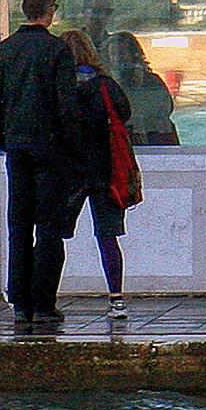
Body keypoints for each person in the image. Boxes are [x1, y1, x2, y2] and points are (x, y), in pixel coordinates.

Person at [0, 0, 82, 325]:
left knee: (19, 226)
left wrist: (5, 141)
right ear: (51, 11)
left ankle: (20, 301)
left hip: (18, 150)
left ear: (24, 10)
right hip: (51, 150)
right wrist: (74, 149)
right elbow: (67, 107)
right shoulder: (57, 51)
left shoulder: (3, 51)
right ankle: (43, 302)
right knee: (49, 228)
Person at [60, 30, 133, 320]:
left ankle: (44, 298)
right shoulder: (105, 85)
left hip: (70, 170)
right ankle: (117, 299)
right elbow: (124, 113)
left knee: (53, 234)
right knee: (108, 236)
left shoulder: (59, 86)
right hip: (106, 170)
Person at [113, 32, 179, 145]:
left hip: (155, 137)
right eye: (113, 54)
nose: (117, 58)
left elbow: (164, 109)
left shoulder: (151, 82)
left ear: (133, 55)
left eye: (121, 53)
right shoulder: (109, 84)